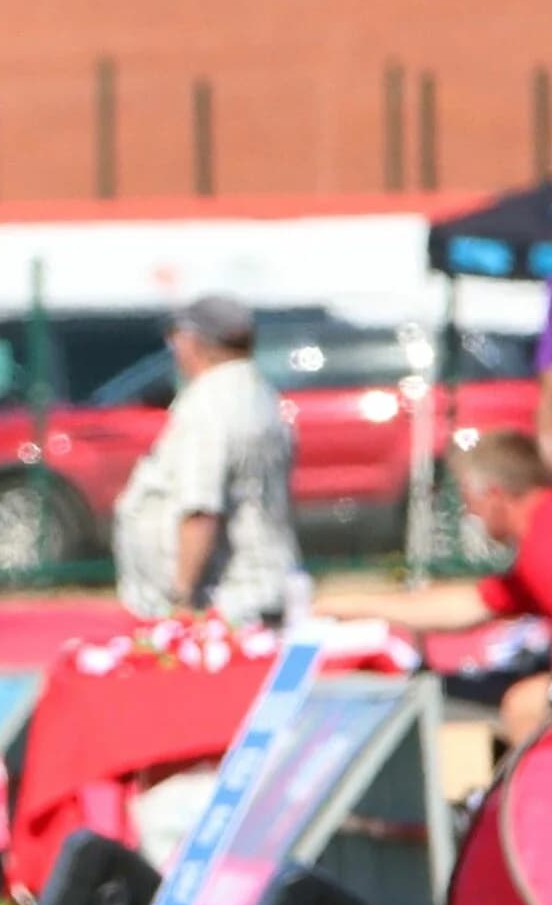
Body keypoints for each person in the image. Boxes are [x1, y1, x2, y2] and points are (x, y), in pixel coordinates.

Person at [318, 429, 552, 746]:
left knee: (523, 705)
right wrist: (352, 605)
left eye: (470, 497)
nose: (470, 512)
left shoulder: (542, 544)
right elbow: (467, 605)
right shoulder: (536, 540)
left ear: (495, 494)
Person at [111, 296, 300, 625]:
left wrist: (181, 599)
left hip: (223, 603)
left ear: (192, 340)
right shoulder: (260, 394)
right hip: (264, 584)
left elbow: (200, 507)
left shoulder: (208, 404)